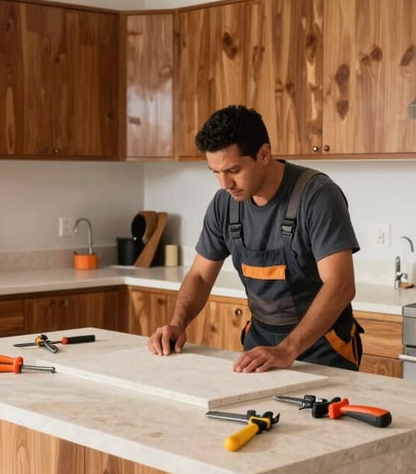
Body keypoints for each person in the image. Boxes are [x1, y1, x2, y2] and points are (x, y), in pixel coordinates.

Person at [147, 105, 362, 372]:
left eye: (234, 170)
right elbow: (200, 276)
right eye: (215, 171)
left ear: (263, 154)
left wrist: (288, 350)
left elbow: (340, 284)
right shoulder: (225, 204)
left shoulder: (317, 196)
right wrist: (178, 323)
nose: (224, 184)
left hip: (323, 350)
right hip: (260, 347)